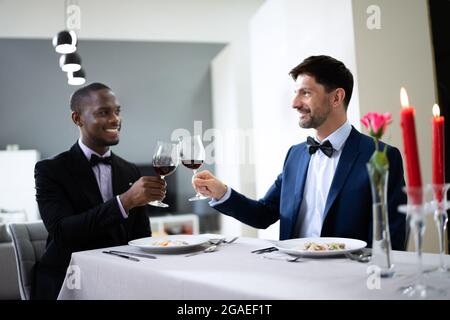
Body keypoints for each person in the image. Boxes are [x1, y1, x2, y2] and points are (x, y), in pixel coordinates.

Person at [193, 55, 407, 250]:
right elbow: (264, 214)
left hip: (348, 280)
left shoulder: (381, 156)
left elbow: (390, 238)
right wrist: (221, 192)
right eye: (296, 93)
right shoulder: (295, 155)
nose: (295, 104)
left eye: (305, 93)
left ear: (336, 98)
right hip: (292, 275)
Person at [33, 83, 166, 299]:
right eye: (104, 112)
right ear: (77, 119)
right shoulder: (50, 170)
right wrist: (124, 202)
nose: (115, 120)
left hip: (121, 277)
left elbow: (141, 236)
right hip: (69, 279)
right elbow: (63, 233)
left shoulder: (130, 170)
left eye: (117, 112)